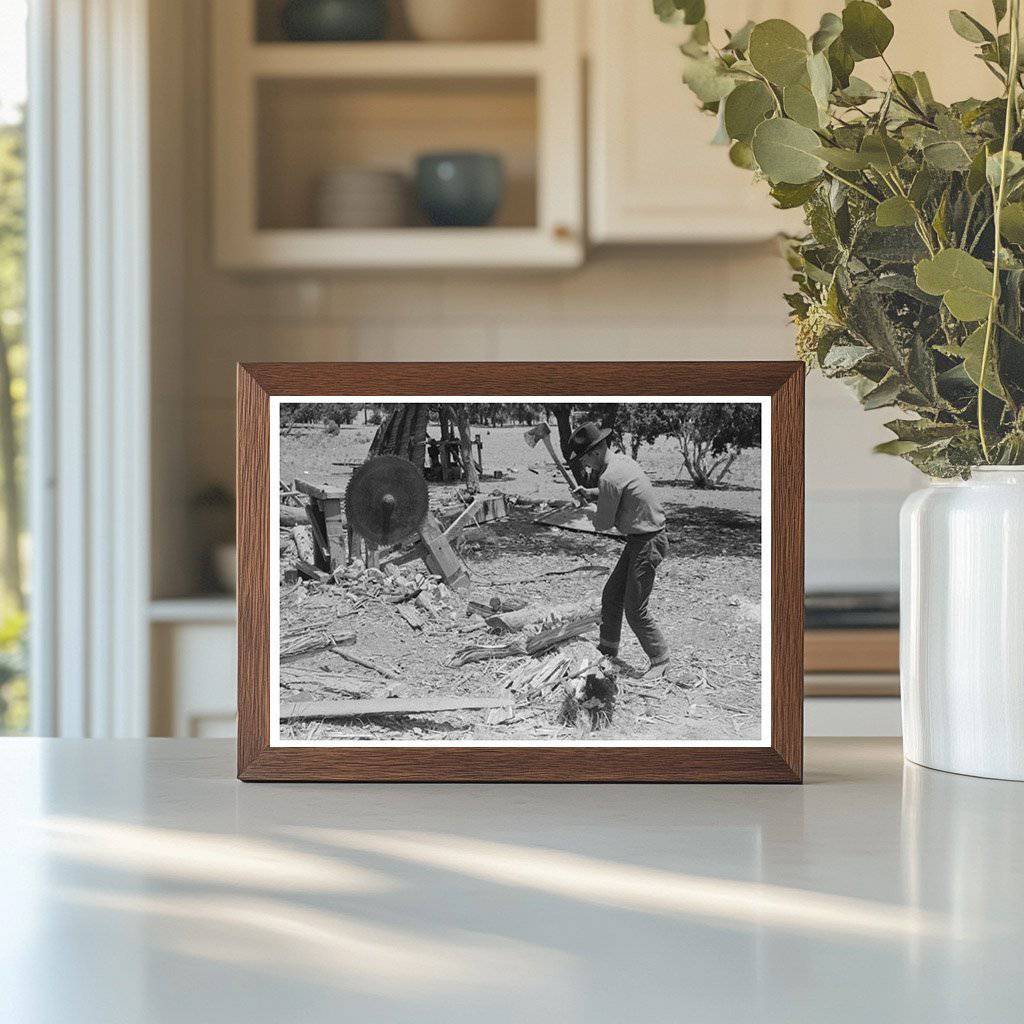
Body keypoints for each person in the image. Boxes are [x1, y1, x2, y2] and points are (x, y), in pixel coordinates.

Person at [567, 421, 671, 679]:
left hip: (648, 543)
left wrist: (587, 510)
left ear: (595, 452)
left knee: (635, 609)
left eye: (585, 461)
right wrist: (591, 493)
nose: (585, 466)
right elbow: (614, 491)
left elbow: (603, 523)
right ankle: (608, 648)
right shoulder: (621, 463)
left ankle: (660, 659)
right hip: (641, 540)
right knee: (612, 595)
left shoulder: (610, 476)